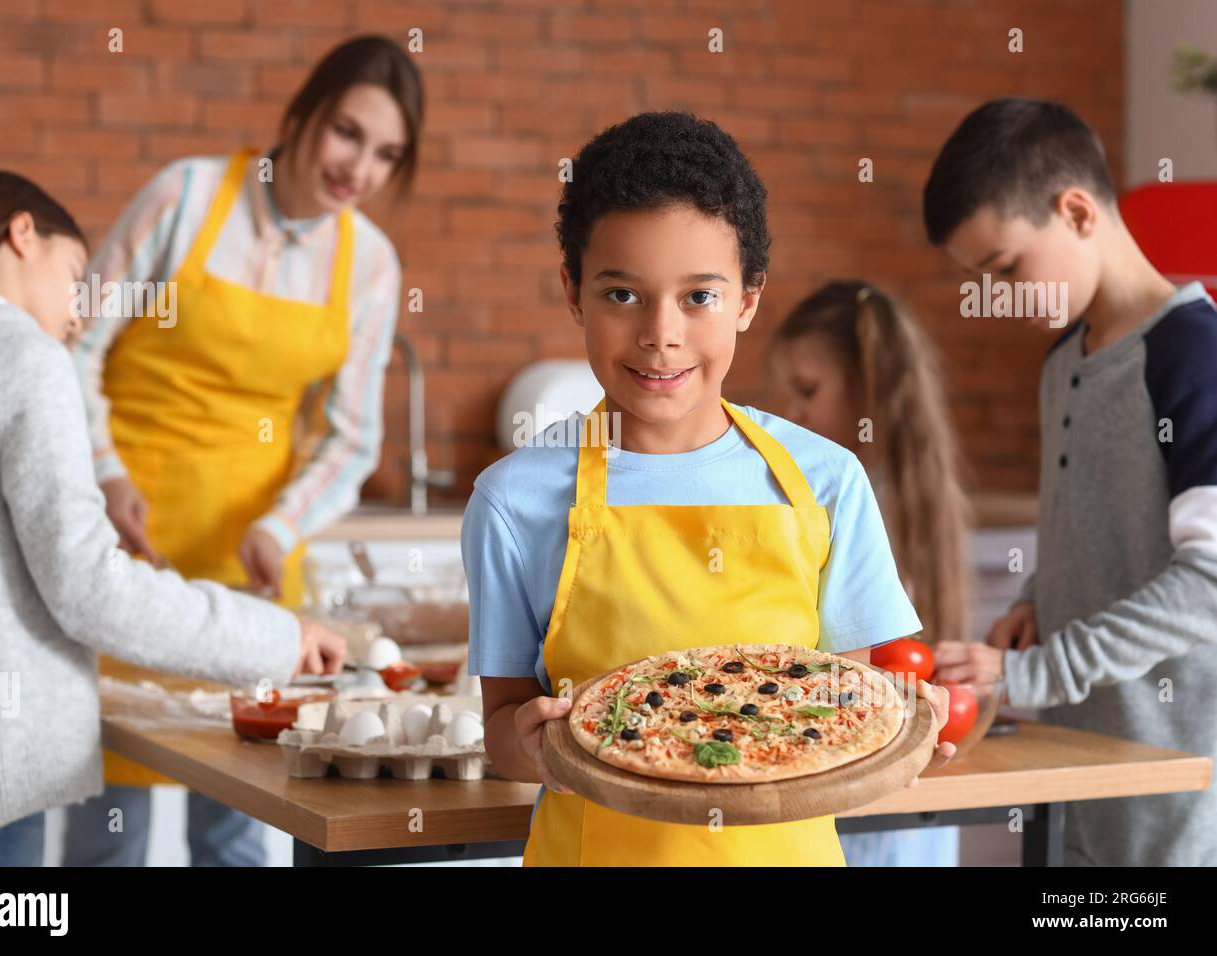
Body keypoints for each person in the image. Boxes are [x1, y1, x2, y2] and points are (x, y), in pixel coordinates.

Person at [461, 111, 954, 867]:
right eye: (622, 294)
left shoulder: (825, 480)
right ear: (573, 292)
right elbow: (501, 723)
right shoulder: (513, 500)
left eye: (700, 296)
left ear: (749, 300)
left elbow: (847, 702)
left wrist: (906, 733)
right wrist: (529, 747)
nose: (662, 332)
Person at [64, 34, 422, 866]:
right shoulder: (184, 196)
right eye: (346, 133)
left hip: (252, 560)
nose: (358, 168)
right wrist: (105, 476)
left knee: (238, 818)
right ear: (301, 116)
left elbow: (352, 436)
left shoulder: (369, 263)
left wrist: (282, 526)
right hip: (123, 544)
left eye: (386, 154)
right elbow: (77, 345)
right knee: (109, 824)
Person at [0, 172, 344, 866]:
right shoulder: (26, 355)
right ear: (21, 234)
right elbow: (90, 587)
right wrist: (277, 639)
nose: (80, 316)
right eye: (75, 275)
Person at [924, 98, 1217, 866]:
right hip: (1073, 777)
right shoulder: (1063, 364)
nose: (999, 298)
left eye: (1007, 269)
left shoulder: (1195, 358)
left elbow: (1210, 583)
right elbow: (1100, 531)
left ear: (1078, 211)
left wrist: (1032, 672)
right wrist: (1037, 603)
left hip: (1180, 801)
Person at [767, 279, 972, 866]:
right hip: (888, 767)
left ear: (868, 388)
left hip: (866, 767)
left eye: (807, 390)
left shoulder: (845, 501)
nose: (793, 413)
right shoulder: (916, 489)